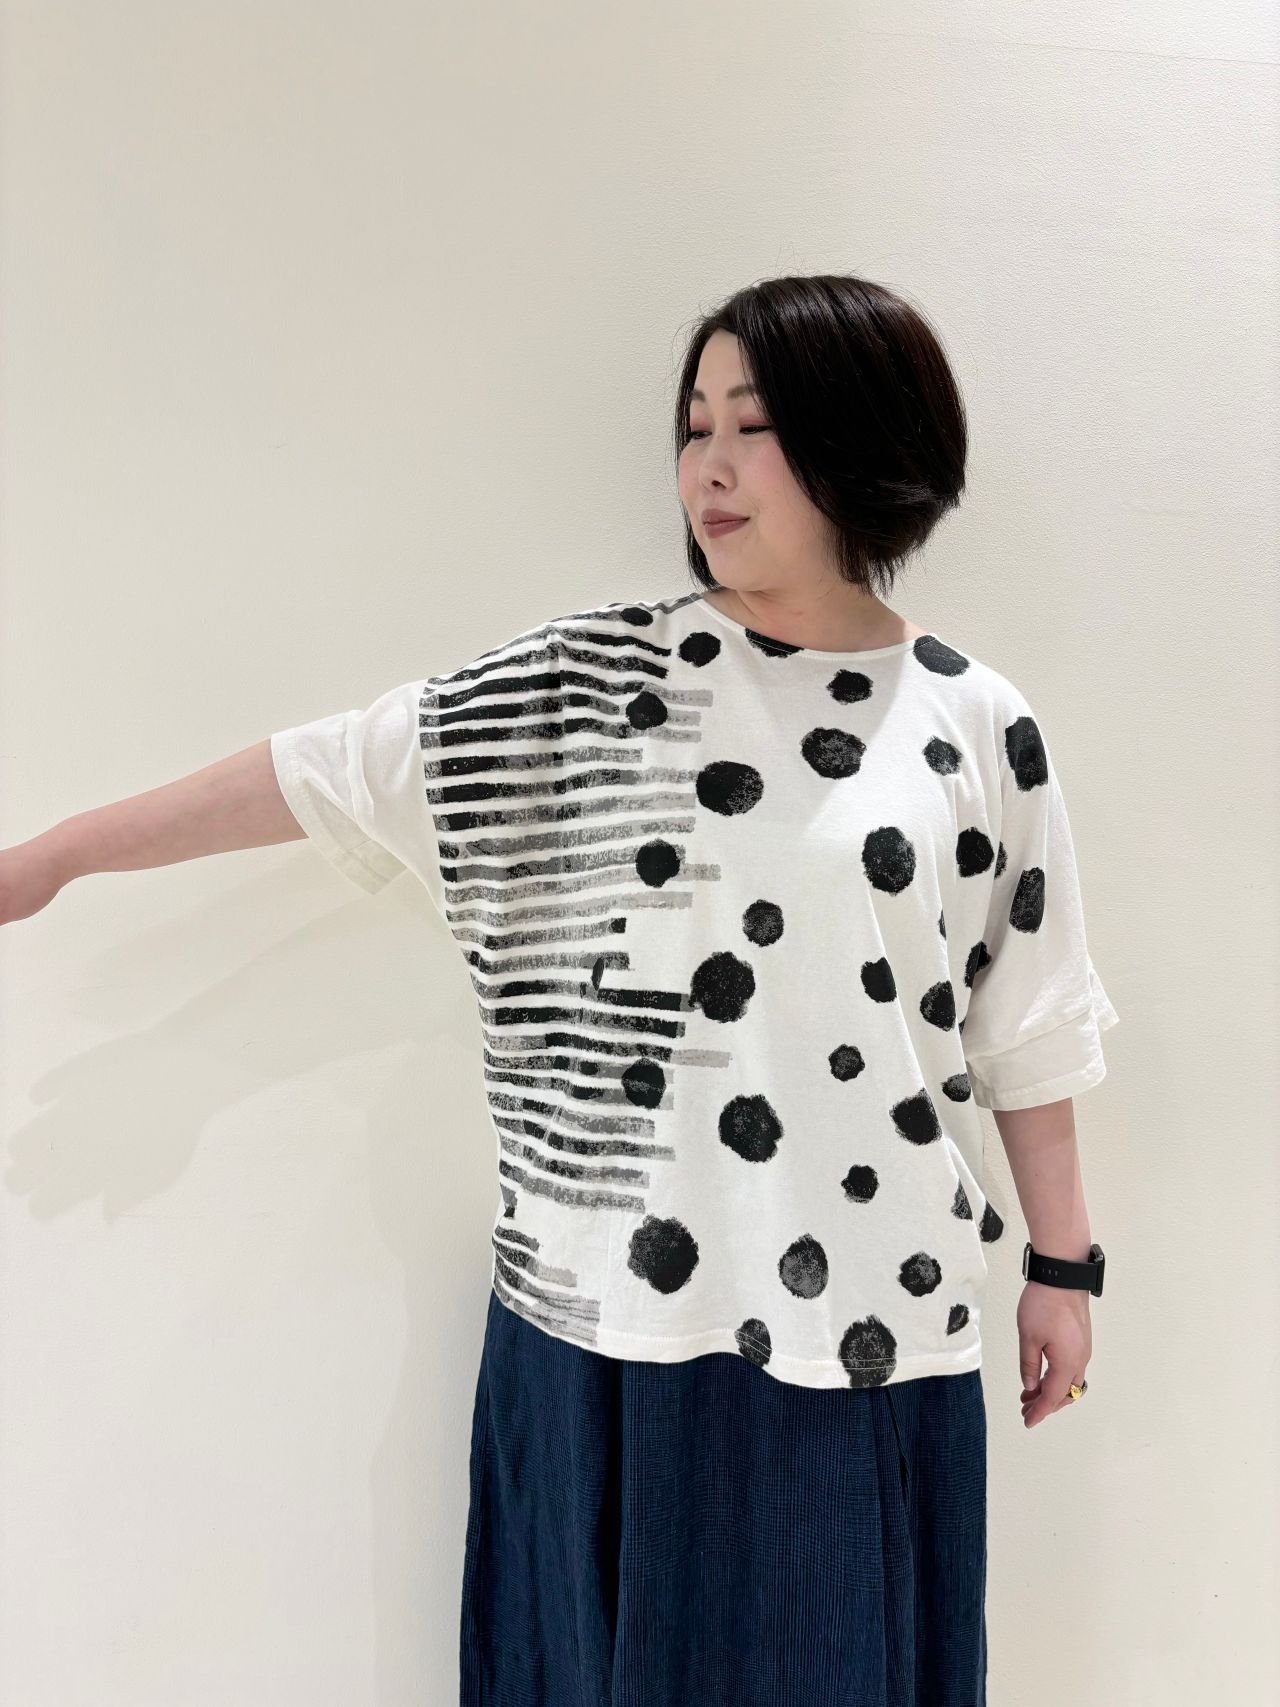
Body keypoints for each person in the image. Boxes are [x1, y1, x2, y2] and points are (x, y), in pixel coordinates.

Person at [6, 273, 1119, 1705]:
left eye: (755, 426)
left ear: (862, 440)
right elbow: (330, 770)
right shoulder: (588, 684)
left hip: (868, 1330)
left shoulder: (976, 720)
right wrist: (56, 857)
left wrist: (1062, 1270)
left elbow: (1028, 1021)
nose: (709, 465)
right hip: (610, 1320)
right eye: (695, 426)